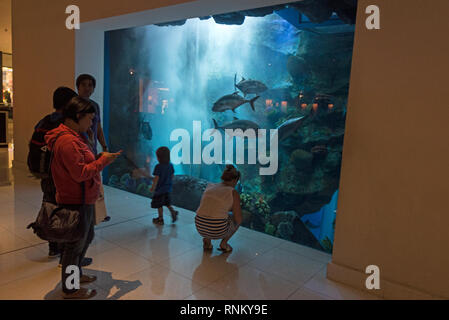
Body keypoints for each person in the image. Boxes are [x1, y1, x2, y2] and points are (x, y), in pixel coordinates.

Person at [45, 96, 121, 299]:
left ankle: (76, 275)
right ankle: (71, 289)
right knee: (74, 245)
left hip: (82, 198)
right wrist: (102, 162)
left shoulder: (74, 136)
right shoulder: (68, 141)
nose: (92, 123)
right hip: (75, 200)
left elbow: (81, 166)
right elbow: (79, 173)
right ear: (78, 116)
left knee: (85, 238)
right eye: (90, 119)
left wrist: (100, 159)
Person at [32, 87, 77, 258]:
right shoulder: (66, 125)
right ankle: (66, 249)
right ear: (67, 104)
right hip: (62, 176)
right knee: (65, 211)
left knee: (50, 206)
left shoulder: (43, 122)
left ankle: (53, 246)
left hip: (46, 175)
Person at [76, 74, 111, 223]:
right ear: (78, 86)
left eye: (90, 85)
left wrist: (104, 145)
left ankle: (99, 214)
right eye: (83, 84)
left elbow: (98, 128)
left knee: (96, 181)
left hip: (93, 150)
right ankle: (85, 214)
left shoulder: (95, 106)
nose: (87, 88)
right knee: (81, 182)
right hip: (78, 150)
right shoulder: (73, 105)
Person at [195, 165, 242, 252]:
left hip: (199, 225)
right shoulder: (233, 192)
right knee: (236, 220)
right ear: (235, 180)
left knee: (210, 212)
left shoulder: (210, 186)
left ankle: (207, 240)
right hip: (217, 229)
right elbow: (238, 218)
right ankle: (224, 243)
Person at [149, 146, 179, 225]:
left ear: (159, 157)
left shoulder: (158, 167)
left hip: (160, 190)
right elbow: (172, 176)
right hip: (168, 189)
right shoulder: (170, 165)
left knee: (159, 205)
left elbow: (156, 179)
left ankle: (160, 219)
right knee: (167, 203)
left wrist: (153, 187)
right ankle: (173, 212)